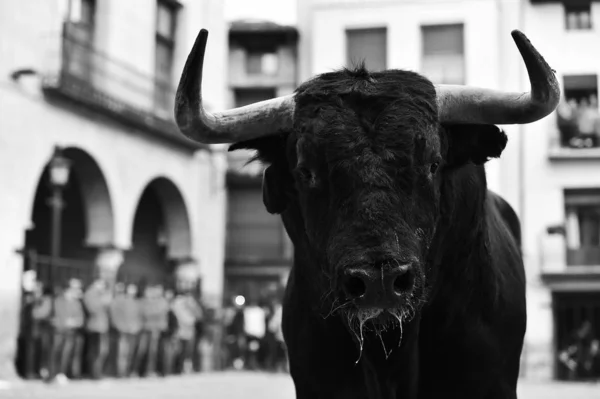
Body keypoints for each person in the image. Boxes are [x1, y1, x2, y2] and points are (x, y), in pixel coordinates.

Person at [48, 279, 85, 384]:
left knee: (66, 354)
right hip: (58, 331)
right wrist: (65, 321)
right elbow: (56, 315)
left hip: (70, 331)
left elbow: (80, 319)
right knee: (55, 353)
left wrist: (75, 322)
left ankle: (61, 374)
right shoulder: (58, 300)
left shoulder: (76, 303)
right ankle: (52, 375)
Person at [132, 284, 170, 377]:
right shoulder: (144, 302)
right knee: (142, 350)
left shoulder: (161, 302)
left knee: (153, 351)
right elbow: (143, 312)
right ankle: (139, 371)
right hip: (146, 329)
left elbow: (152, 312)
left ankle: (151, 371)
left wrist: (149, 311)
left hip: (156, 329)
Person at [109, 283, 142, 378]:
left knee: (130, 353)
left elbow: (139, 317)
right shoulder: (120, 301)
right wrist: (120, 326)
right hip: (123, 330)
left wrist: (137, 326)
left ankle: (128, 371)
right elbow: (115, 315)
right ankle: (120, 372)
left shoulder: (136, 302)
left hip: (133, 331)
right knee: (122, 352)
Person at [82, 278, 111, 379]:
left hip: (102, 327)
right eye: (100, 284)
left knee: (102, 351)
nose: (102, 286)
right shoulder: (90, 294)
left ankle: (98, 372)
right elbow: (92, 308)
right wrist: (103, 301)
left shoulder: (99, 295)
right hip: (95, 327)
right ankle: (95, 374)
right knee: (96, 352)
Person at [242, 299, 266, 371]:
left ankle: (253, 364)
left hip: (255, 333)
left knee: (254, 350)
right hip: (253, 333)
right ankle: (252, 364)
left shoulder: (256, 311)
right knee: (252, 350)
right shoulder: (249, 311)